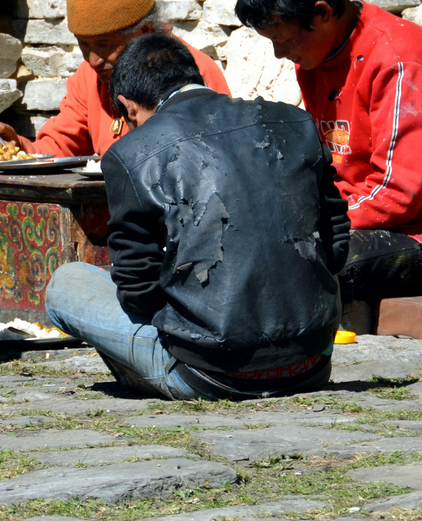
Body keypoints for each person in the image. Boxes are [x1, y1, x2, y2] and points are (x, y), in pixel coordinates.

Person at [42, 33, 346, 399]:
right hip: (311, 363)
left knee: (67, 282)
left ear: (128, 106)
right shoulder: (295, 122)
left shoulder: (132, 152)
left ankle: (148, 371)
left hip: (209, 373)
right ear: (194, 78)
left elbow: (139, 292)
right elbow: (337, 245)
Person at [234, 0, 422, 308]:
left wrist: (310, 224)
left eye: (284, 40)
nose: (280, 53)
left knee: (297, 260)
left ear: (321, 13)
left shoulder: (399, 62)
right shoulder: (316, 57)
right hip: (356, 221)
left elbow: (397, 196)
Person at [0, 0, 230, 157]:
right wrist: (17, 146)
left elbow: (216, 158)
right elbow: (59, 146)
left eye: (105, 45)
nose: (94, 60)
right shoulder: (89, 78)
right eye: (84, 45)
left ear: (145, 31)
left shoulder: (195, 76)